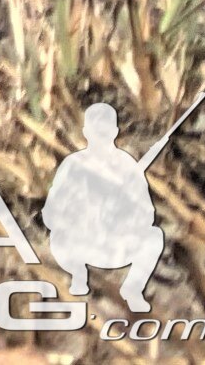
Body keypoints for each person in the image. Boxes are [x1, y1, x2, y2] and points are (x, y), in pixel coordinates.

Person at [45, 104, 166, 312]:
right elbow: (50, 214)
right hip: (82, 244)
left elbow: (148, 215)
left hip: (116, 245)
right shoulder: (73, 165)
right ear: (86, 133)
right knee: (57, 239)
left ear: (115, 132)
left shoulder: (128, 166)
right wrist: (79, 217)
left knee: (154, 237)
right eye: (95, 132)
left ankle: (133, 289)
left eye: (105, 131)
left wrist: (124, 214)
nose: (100, 137)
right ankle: (78, 278)